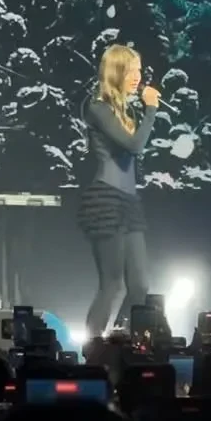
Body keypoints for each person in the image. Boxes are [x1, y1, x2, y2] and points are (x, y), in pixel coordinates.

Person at [77, 43, 160, 337]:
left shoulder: (127, 110)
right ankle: (92, 347)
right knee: (112, 284)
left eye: (139, 70)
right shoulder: (97, 107)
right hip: (105, 199)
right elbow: (134, 145)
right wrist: (151, 110)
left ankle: (119, 339)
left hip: (129, 201)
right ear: (117, 72)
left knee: (140, 285)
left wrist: (144, 112)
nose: (138, 77)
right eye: (132, 71)